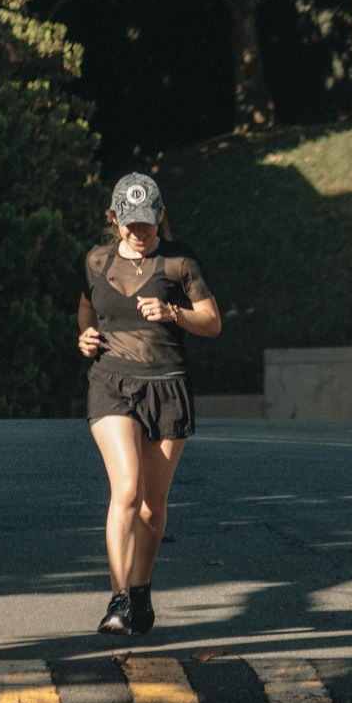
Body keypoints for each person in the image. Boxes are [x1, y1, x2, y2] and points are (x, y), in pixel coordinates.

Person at [78, 173, 221, 637]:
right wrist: (85, 336)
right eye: (129, 222)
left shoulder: (181, 264)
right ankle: (119, 597)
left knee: (151, 509)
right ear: (114, 218)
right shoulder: (97, 261)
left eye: (147, 222)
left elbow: (213, 323)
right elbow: (86, 306)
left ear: (160, 216)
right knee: (127, 489)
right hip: (111, 383)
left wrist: (174, 312)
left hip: (166, 386)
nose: (139, 232)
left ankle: (140, 592)